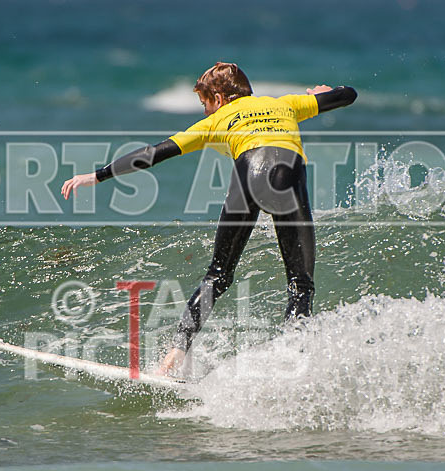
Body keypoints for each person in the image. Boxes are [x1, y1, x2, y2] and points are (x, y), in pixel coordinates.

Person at [61, 62, 356, 375]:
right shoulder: (285, 104)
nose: (204, 111)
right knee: (300, 283)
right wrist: (322, 94)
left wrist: (98, 176)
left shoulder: (214, 121)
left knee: (218, 275)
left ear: (219, 98)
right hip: (288, 176)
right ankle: (293, 359)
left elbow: (154, 153)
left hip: (248, 174)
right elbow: (348, 95)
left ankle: (173, 356)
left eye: (204, 103)